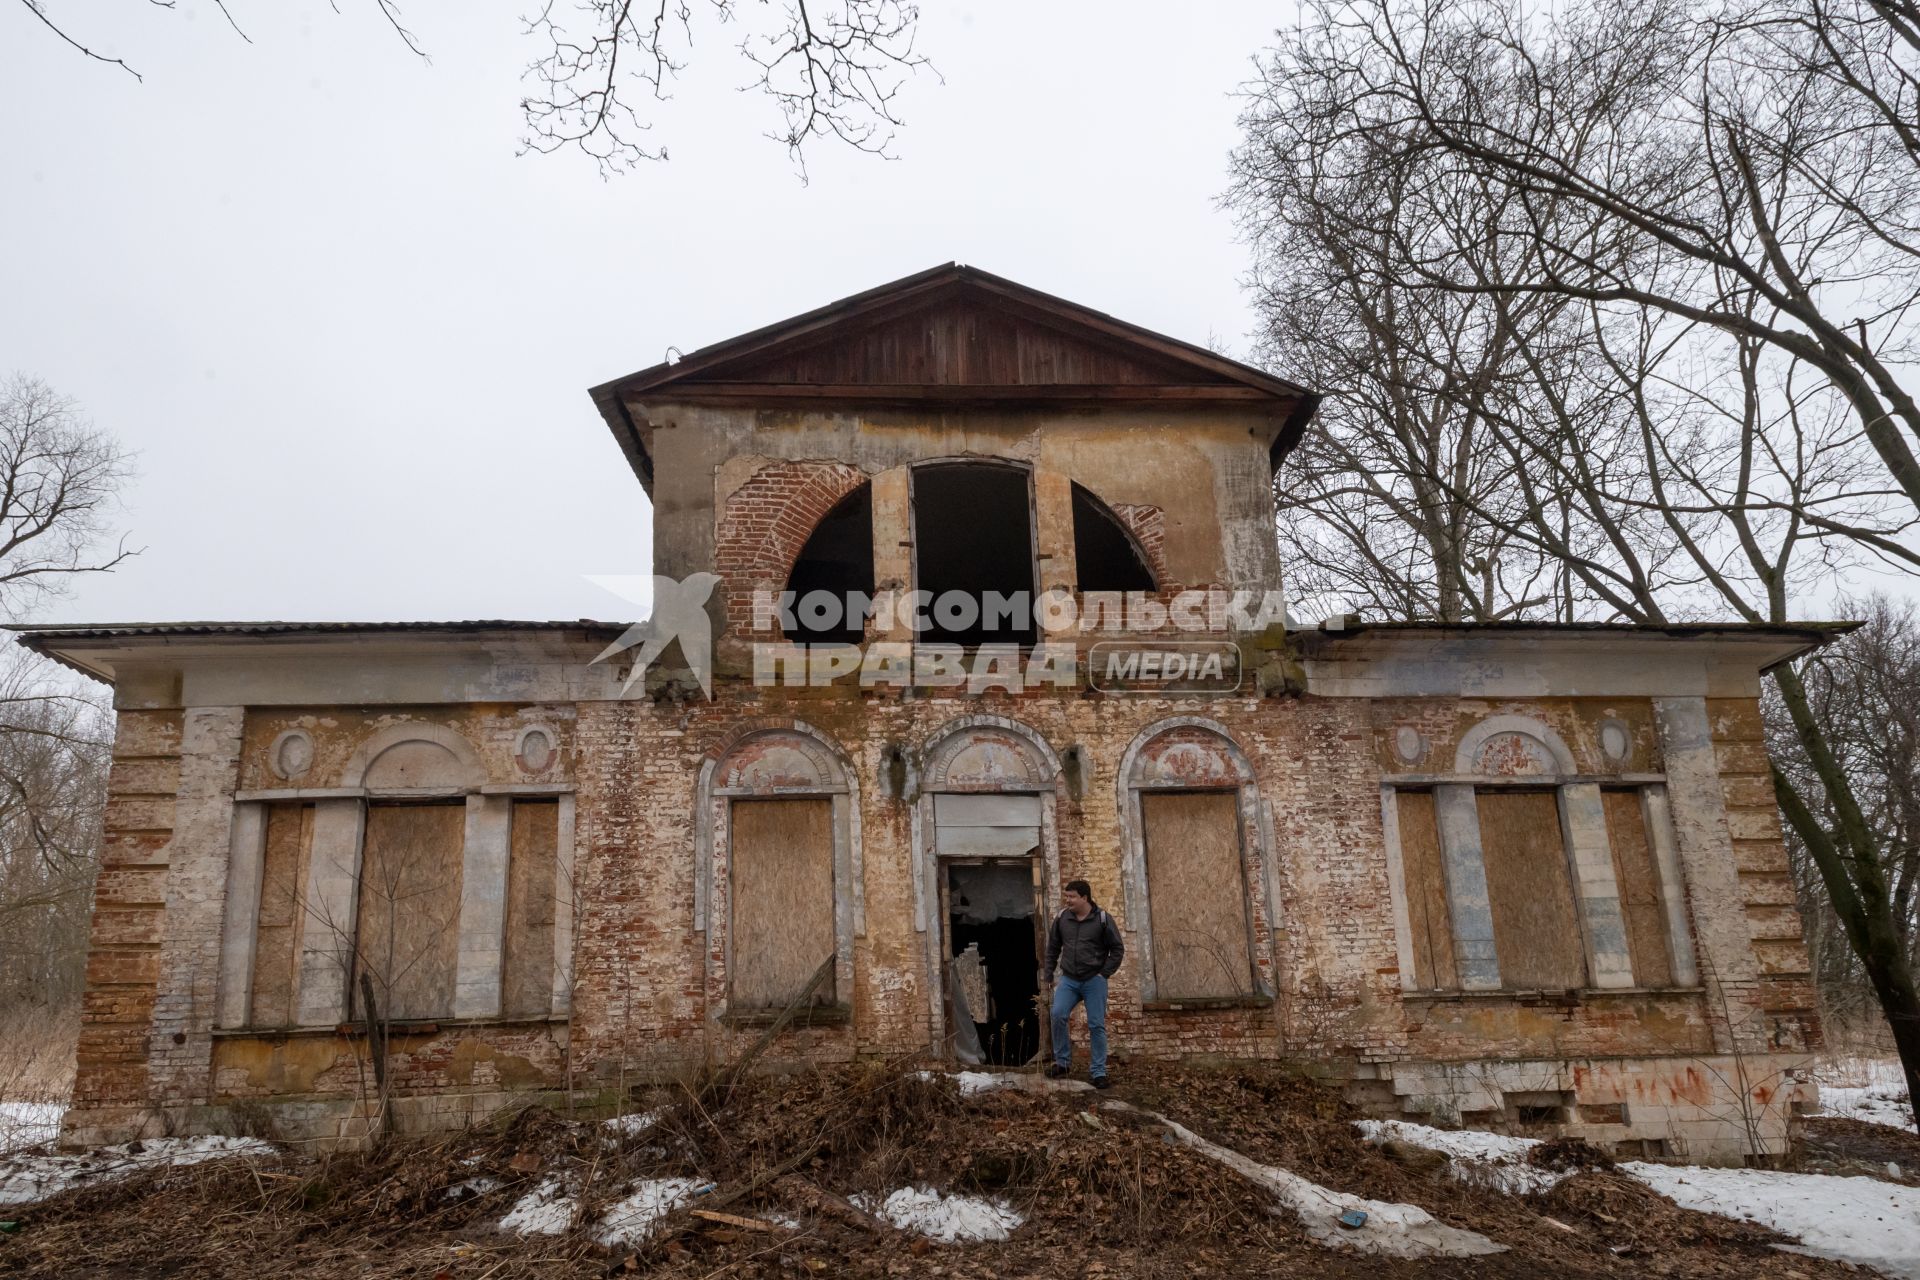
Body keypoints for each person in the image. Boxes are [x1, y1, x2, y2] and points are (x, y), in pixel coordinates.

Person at [1042, 879, 1125, 1087]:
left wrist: (1104, 973)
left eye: (1072, 897)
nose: (1067, 900)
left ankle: (1098, 1072)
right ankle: (1063, 1062)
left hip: (1093, 980)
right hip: (1069, 979)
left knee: (1096, 1025)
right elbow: (1053, 948)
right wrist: (1049, 974)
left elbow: (1117, 949)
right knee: (1057, 1014)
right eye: (1066, 896)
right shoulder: (1062, 918)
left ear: (1084, 898)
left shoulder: (1103, 919)